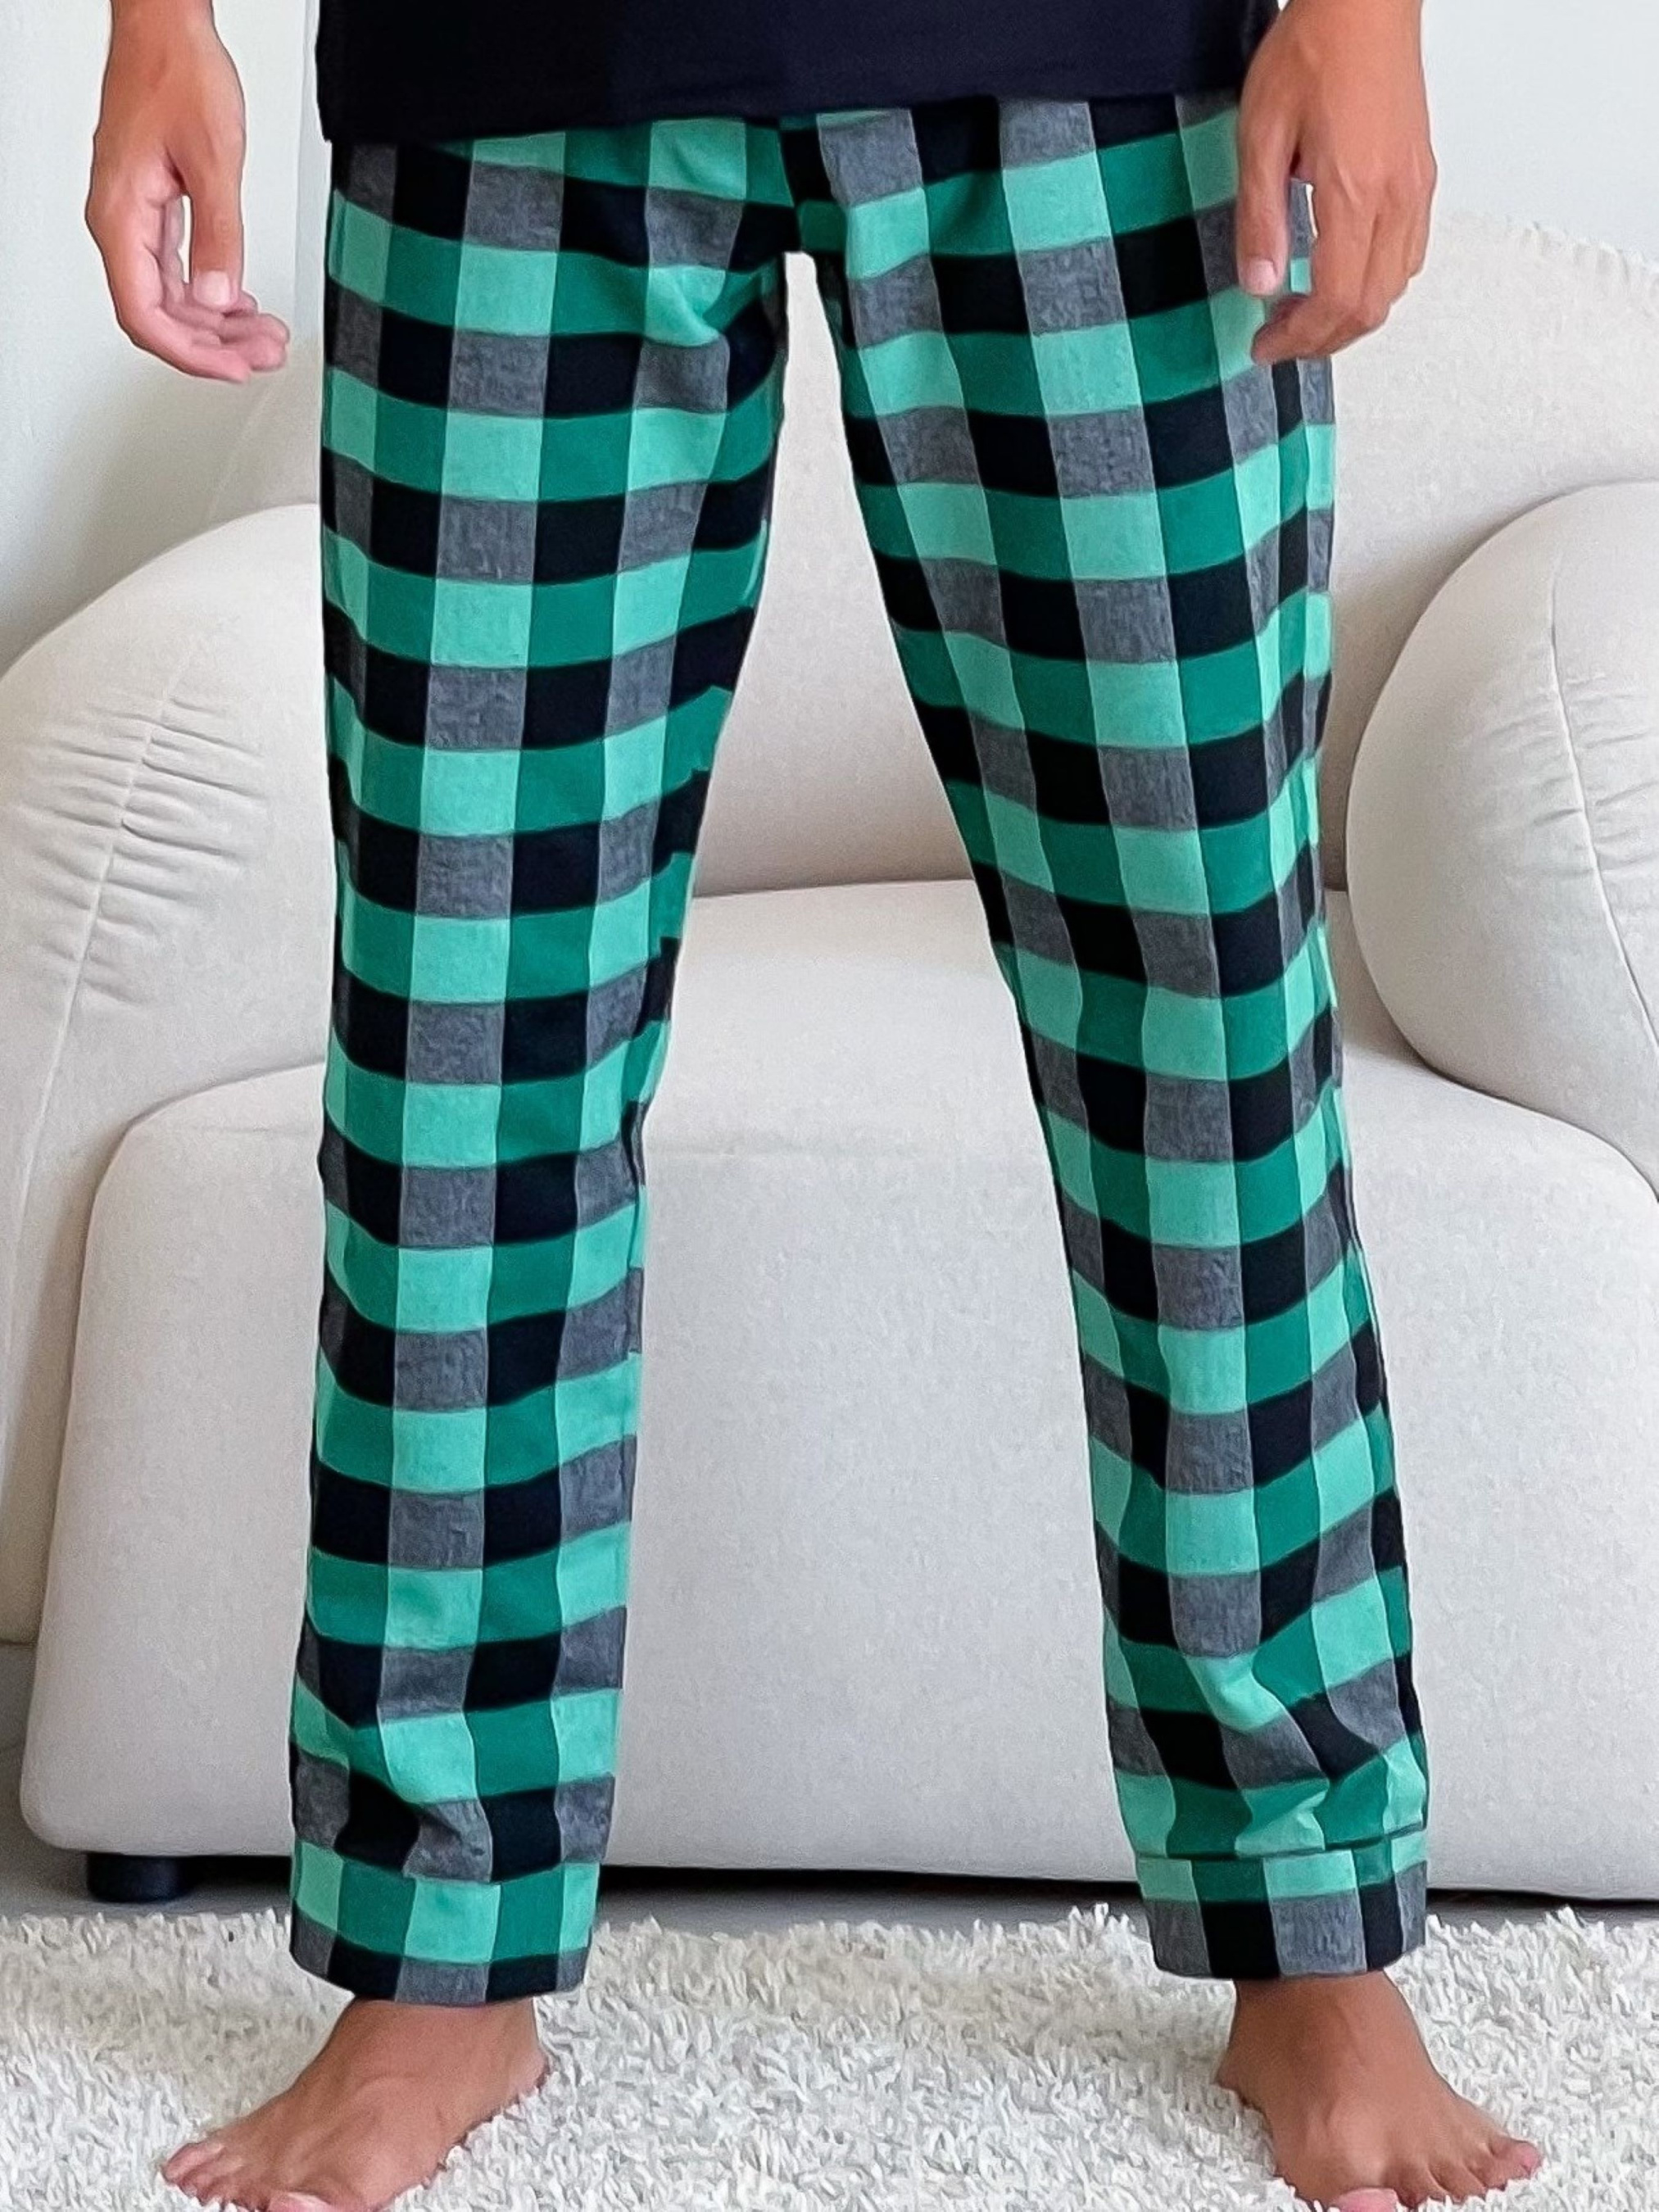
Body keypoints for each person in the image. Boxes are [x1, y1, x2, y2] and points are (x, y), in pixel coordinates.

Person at [84, 0, 1543, 2205]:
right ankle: (435, 1949)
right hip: (509, 73)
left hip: (1098, 65)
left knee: (1203, 1025)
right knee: (463, 1045)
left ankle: (1308, 1919)